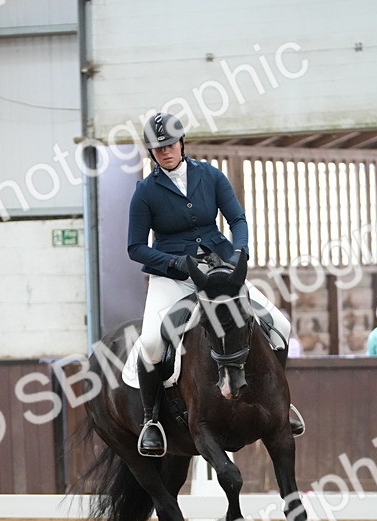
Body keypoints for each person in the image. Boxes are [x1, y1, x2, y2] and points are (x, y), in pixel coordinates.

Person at [126, 111, 304, 456]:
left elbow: (236, 217)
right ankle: (151, 422)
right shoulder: (145, 192)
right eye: (158, 148)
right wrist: (173, 263)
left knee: (280, 324)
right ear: (151, 153)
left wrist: (240, 252)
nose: (165, 152)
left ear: (181, 143)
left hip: (219, 270)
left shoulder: (210, 175)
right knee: (150, 341)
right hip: (173, 277)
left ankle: (282, 405)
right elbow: (135, 247)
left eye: (170, 144)